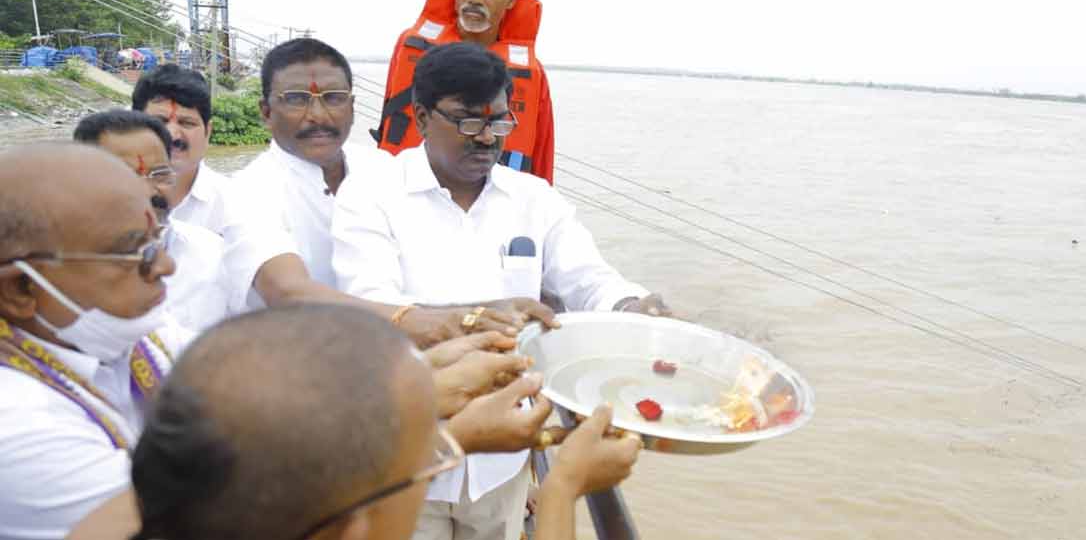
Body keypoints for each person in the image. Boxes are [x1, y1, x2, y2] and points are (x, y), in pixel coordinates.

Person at [333, 42, 670, 540]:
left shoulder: (533, 199)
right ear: (423, 119)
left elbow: (587, 279)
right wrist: (472, 315)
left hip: (504, 460)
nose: (487, 138)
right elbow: (371, 308)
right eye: (469, 122)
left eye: (499, 121)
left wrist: (633, 307)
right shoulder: (371, 195)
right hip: (408, 450)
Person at [67, 305, 638, 540]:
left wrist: (417, 386)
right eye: (423, 464)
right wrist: (564, 486)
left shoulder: (134, 512)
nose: (435, 454)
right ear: (353, 527)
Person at [223, 37, 555, 345]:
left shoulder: (380, 169)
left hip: (392, 367)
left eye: (334, 99)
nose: (318, 115)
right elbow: (290, 294)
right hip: (292, 369)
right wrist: (458, 321)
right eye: (296, 100)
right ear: (266, 112)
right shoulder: (248, 192)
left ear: (352, 105)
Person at [0, 143, 193, 539]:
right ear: (20, 289)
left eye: (156, 241)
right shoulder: (17, 426)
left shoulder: (129, 334)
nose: (166, 265)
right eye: (133, 253)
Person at [374, 0, 556, 183]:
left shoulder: (533, 75)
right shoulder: (411, 46)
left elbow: (542, 159)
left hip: (491, 206)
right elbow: (390, 122)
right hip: (409, 192)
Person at [73, 110, 232, 332]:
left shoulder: (216, 255)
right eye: (124, 176)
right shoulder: (62, 270)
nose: (147, 191)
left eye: (160, 175)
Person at [130, 63, 230, 235]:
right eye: (160, 121)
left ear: (207, 132)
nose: (172, 135)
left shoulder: (238, 205)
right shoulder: (108, 199)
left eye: (187, 123)